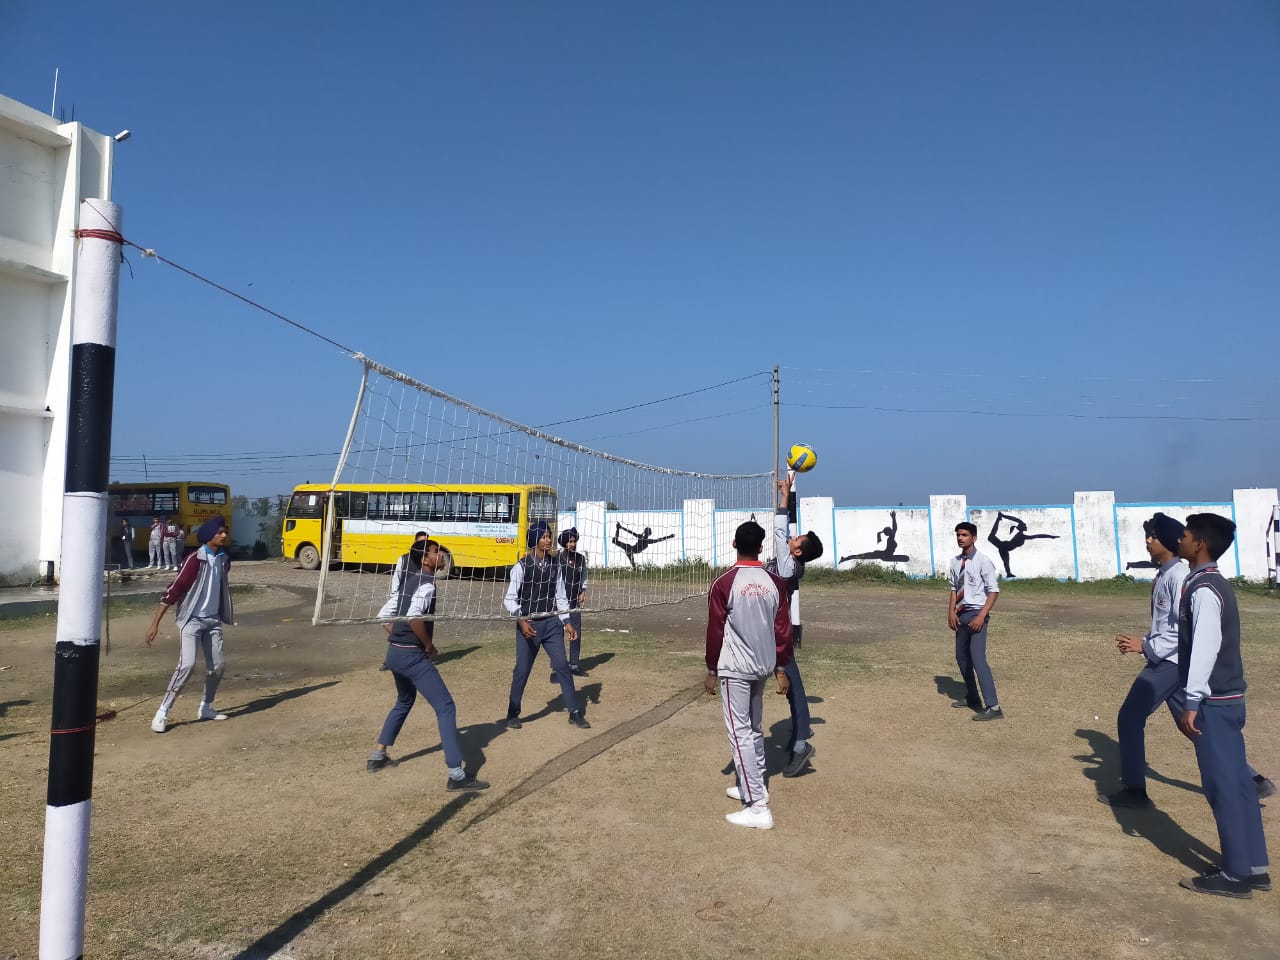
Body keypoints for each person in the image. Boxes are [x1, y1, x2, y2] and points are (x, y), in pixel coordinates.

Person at [1103, 513, 1275, 808]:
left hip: (1170, 663)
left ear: (1168, 542)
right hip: (1168, 660)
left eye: (1153, 537)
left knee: (1130, 716)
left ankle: (1135, 791)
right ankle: (1253, 781)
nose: (1148, 541)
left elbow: (1181, 630)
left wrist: (1145, 646)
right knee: (1194, 726)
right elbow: (1165, 625)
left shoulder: (1179, 576)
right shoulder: (1164, 574)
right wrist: (1144, 641)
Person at [1174, 513, 1270, 898]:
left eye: (1184, 535)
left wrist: (1192, 699)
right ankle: (1254, 866)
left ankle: (1235, 874)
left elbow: (1205, 647)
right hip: (1227, 699)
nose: (1179, 539)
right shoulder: (1212, 583)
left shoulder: (1204, 589)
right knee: (1239, 784)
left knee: (1222, 786)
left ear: (1199, 544)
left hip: (1214, 701)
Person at [366, 538, 489, 791]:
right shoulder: (426, 584)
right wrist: (428, 646)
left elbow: (383, 616)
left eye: (440, 551)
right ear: (425, 560)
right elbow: (414, 618)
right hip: (411, 656)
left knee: (404, 701)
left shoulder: (409, 582)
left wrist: (399, 637)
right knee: (445, 706)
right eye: (436, 552)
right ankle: (456, 775)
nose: (441, 555)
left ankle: (378, 755)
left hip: (394, 653)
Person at [706, 519, 793, 829]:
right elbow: (783, 630)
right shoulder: (775, 582)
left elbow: (715, 631)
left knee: (739, 731)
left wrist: (711, 668)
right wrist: (781, 667)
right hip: (763, 666)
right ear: (760, 547)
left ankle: (758, 806)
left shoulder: (724, 583)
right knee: (754, 728)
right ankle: (751, 785)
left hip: (735, 668)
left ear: (734, 544)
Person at [145, 516, 234, 733]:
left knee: (218, 666)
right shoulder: (194, 559)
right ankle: (162, 712)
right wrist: (155, 624)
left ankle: (206, 707)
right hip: (191, 620)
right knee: (187, 665)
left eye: (225, 532)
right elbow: (174, 590)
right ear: (209, 535)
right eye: (219, 532)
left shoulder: (224, 559)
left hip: (213, 621)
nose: (224, 535)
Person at [765, 472, 824, 777]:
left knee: (794, 686)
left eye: (795, 540)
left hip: (778, 633)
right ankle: (800, 734)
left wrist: (785, 497)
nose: (791, 538)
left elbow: (779, 529)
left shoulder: (789, 566)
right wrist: (787, 494)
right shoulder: (792, 561)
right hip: (770, 630)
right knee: (791, 687)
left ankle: (801, 743)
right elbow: (785, 530)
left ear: (798, 551)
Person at [503, 521, 589, 730]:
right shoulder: (521, 567)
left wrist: (566, 621)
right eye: (544, 537)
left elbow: (560, 596)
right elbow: (509, 599)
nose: (548, 540)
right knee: (522, 670)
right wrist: (521, 619)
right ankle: (513, 713)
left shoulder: (555, 566)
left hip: (551, 623)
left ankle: (574, 712)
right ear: (535, 540)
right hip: (529, 624)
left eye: (549, 536)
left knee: (562, 666)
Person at [949, 522, 1003, 720]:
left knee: (978, 659)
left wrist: (982, 616)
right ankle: (972, 697)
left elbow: (993, 591)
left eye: (964, 535)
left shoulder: (983, 561)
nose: (960, 538)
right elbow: (954, 589)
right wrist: (951, 612)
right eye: (958, 535)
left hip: (977, 614)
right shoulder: (955, 562)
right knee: (961, 658)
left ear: (974, 538)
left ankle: (994, 706)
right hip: (961, 614)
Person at [554, 527, 590, 677]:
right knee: (556, 635)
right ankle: (558, 666)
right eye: (570, 541)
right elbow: (551, 578)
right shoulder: (557, 558)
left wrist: (583, 591)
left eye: (574, 541)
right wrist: (552, 597)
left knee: (576, 633)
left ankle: (574, 665)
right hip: (558, 603)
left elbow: (584, 575)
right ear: (564, 543)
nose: (573, 544)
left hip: (574, 602)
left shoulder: (580, 559)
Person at [987, 510, 1058, 578]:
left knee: (1006, 562)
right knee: (991, 538)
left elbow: (1016, 520)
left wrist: (1004, 516)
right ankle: (998, 519)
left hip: (1005, 548)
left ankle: (1008, 573)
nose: (1026, 525)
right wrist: (1051, 537)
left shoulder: (1021, 534)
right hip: (1004, 546)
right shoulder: (1021, 536)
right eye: (1024, 525)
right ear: (1022, 527)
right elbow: (1037, 536)